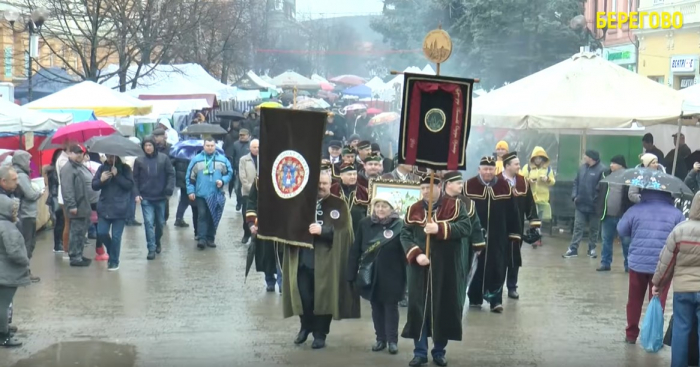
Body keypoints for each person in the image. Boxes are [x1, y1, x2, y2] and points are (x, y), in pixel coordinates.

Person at [401, 175, 484, 367]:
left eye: (428, 187)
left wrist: (439, 228)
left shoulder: (455, 206)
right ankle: (420, 352)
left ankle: (439, 351)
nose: (425, 191)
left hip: (447, 268)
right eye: (422, 188)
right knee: (418, 310)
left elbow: (465, 227)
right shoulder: (413, 209)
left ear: (439, 187)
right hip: (419, 269)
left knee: (443, 308)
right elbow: (405, 235)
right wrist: (416, 254)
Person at [282, 170, 359, 349]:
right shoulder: (300, 202)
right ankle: (305, 326)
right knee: (303, 296)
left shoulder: (338, 204)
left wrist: (323, 231)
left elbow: (345, 232)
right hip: (302, 258)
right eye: (318, 183)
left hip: (326, 260)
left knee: (323, 299)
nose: (320, 187)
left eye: (324, 183)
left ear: (330, 184)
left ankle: (320, 333)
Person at [618, 189, 685, 344]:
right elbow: (681, 236)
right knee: (657, 300)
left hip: (637, 263)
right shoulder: (676, 213)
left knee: (634, 300)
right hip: (664, 266)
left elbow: (621, 230)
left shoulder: (635, 209)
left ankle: (631, 335)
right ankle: (653, 338)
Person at [347, 192, 406, 355]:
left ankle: (392, 341)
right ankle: (380, 339)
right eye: (377, 206)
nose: (380, 209)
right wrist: (350, 274)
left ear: (392, 208)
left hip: (394, 274)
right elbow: (356, 249)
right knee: (376, 307)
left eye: (384, 206)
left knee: (391, 307)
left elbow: (405, 252)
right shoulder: (365, 223)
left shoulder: (400, 225)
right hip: (370, 273)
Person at [465, 156, 521, 313]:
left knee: (498, 268)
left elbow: (513, 213)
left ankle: (495, 301)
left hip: (499, 237)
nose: (488, 172)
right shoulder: (469, 186)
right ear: (479, 170)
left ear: (495, 170)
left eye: (490, 169)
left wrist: (514, 235)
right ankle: (474, 298)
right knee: (475, 268)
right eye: (485, 169)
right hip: (475, 237)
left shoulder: (504, 187)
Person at [652, 191, 700, 367]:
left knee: (681, 329)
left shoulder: (680, 230)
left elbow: (666, 263)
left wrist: (658, 284)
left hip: (683, 290)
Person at [499, 152, 540, 300]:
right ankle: (496, 289)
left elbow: (530, 204)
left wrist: (534, 224)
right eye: (516, 164)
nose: (519, 166)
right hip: (499, 227)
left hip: (517, 227)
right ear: (508, 165)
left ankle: (512, 287)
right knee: (498, 259)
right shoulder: (497, 181)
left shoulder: (523, 182)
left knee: (514, 258)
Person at [186, 138, 233, 250]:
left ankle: (210, 238)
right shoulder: (196, 160)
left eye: (212, 145)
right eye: (208, 145)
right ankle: (202, 239)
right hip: (201, 194)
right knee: (202, 215)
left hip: (216, 193)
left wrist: (222, 181)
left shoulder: (223, 160)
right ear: (204, 146)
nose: (210, 147)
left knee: (213, 215)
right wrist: (190, 191)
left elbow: (229, 173)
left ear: (215, 146)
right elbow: (190, 177)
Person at [133, 136, 175, 260]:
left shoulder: (163, 158)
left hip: (161, 197)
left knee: (160, 223)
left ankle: (157, 241)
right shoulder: (139, 160)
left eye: (150, 145)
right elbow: (134, 179)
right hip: (146, 197)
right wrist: (136, 194)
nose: (148, 148)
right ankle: (151, 248)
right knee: (148, 222)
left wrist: (169, 189)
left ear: (154, 146)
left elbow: (171, 174)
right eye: (145, 145)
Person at [92, 155, 134, 271]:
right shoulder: (102, 168)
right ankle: (113, 252)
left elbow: (129, 185)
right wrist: (101, 180)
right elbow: (94, 186)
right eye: (107, 155)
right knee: (101, 233)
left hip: (120, 207)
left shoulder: (125, 169)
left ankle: (114, 261)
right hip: (104, 207)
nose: (109, 158)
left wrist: (118, 176)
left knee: (116, 237)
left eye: (111, 156)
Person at [563, 150, 606, 259]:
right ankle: (573, 249)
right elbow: (576, 183)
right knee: (578, 227)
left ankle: (591, 249)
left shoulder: (602, 170)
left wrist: (596, 201)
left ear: (591, 158)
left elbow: (601, 188)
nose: (584, 157)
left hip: (594, 207)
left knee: (594, 229)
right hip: (580, 204)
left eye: (585, 156)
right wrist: (574, 196)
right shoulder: (582, 168)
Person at [0, 191, 30, 348]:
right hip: (7, 273)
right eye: (12, 210)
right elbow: (15, 252)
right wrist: (25, 262)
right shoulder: (8, 227)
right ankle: (3, 336)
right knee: (3, 305)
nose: (15, 213)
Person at [11, 151, 43, 282]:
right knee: (27, 244)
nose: (29, 162)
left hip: (22, 214)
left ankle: (23, 271)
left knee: (26, 243)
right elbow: (30, 195)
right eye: (28, 160)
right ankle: (24, 272)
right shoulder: (22, 176)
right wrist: (39, 192)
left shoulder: (17, 174)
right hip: (26, 214)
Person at [246, 177, 283, 293]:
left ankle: (282, 283)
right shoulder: (259, 180)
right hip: (264, 224)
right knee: (266, 254)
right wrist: (252, 223)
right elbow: (251, 202)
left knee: (281, 255)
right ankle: (269, 281)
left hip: (283, 225)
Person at [596, 155, 632, 272]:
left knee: (626, 242)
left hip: (623, 216)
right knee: (606, 240)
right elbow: (599, 191)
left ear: (621, 165)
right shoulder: (606, 175)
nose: (611, 165)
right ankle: (605, 263)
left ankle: (628, 265)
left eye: (614, 163)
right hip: (607, 215)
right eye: (611, 163)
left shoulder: (628, 176)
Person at [60, 145, 94, 267]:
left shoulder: (79, 166)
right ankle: (74, 257)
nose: (79, 155)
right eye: (76, 153)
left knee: (81, 232)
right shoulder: (68, 169)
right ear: (70, 153)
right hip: (77, 206)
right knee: (76, 232)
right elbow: (67, 189)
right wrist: (72, 205)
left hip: (84, 205)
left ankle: (79, 254)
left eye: (81, 153)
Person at [519, 146, 555, 241]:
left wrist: (547, 179)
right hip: (531, 197)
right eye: (536, 158)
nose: (538, 160)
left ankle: (537, 237)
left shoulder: (548, 169)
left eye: (540, 158)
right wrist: (528, 180)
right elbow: (521, 180)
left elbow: (553, 182)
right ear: (533, 158)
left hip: (543, 198)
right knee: (533, 218)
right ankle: (534, 235)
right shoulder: (527, 168)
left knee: (540, 219)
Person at [330, 163, 369, 233]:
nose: (353, 177)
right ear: (341, 175)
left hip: (357, 230)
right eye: (349, 174)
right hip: (336, 230)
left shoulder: (364, 191)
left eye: (354, 174)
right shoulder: (332, 190)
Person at [239, 139, 259, 244]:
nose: (256, 149)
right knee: (246, 214)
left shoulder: (264, 158)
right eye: (254, 147)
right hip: (247, 192)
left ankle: (255, 234)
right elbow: (242, 176)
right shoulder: (244, 159)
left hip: (260, 192)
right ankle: (246, 233)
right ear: (250, 148)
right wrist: (251, 189)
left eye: (258, 147)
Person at [231, 129, 251, 210]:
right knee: (237, 188)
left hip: (249, 170)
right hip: (238, 170)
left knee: (247, 187)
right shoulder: (235, 144)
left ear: (248, 136)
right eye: (240, 135)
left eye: (243, 135)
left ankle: (246, 202)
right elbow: (233, 156)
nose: (241, 137)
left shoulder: (251, 145)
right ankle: (239, 201)